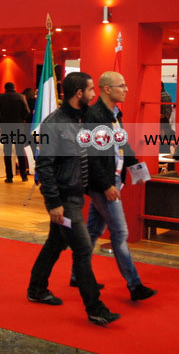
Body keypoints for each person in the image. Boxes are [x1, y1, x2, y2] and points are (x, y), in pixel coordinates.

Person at [27, 72, 120, 326]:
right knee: (82, 249)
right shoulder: (54, 123)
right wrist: (53, 203)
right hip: (64, 199)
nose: (94, 94)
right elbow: (44, 166)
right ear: (79, 93)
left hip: (77, 194)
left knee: (55, 243)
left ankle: (36, 289)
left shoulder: (84, 118)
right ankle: (95, 308)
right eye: (91, 90)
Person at [73, 71, 157, 301]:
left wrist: (135, 166)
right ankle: (134, 285)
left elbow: (122, 144)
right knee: (120, 233)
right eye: (121, 85)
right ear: (107, 89)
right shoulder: (94, 116)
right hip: (104, 184)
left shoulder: (115, 114)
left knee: (93, 231)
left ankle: (77, 274)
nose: (126, 89)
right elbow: (91, 156)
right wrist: (106, 184)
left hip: (113, 179)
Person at [0, 82, 30, 183]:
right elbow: (27, 112)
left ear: (5, 88)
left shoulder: (0, 98)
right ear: (14, 88)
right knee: (20, 152)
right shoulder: (21, 97)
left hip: (6, 128)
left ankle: (9, 177)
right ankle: (24, 176)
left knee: (7, 153)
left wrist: (0, 122)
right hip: (19, 128)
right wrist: (22, 119)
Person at [159, 81, 174, 153]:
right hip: (165, 122)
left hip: (162, 122)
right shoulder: (167, 95)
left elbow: (164, 113)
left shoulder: (161, 96)